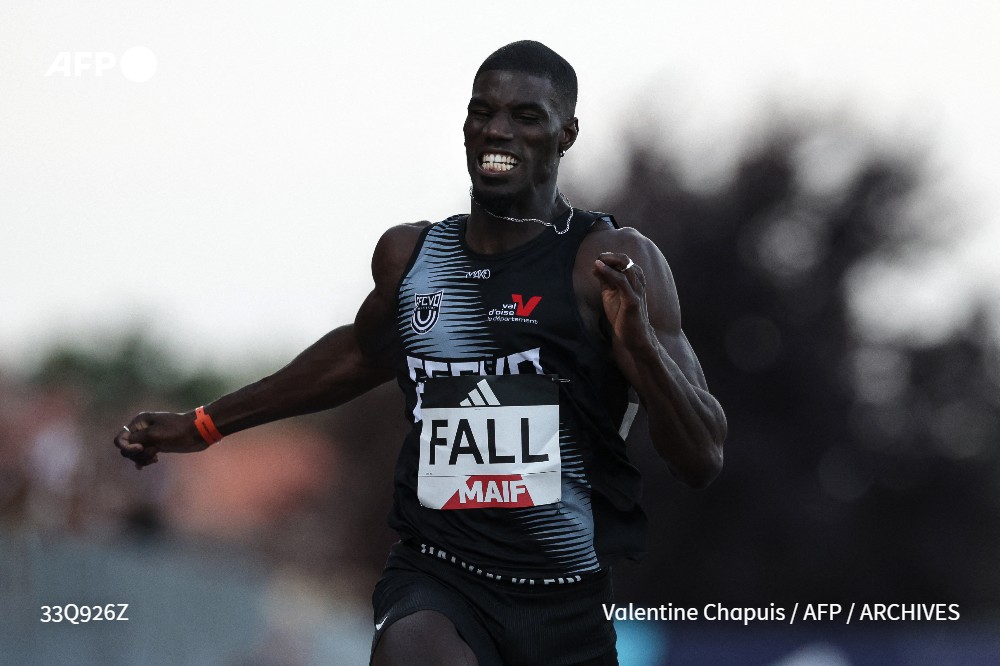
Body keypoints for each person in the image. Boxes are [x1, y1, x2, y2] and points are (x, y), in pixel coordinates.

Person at [114, 40, 727, 666]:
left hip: (563, 600)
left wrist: (641, 351)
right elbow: (357, 356)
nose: (497, 130)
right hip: (438, 574)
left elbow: (702, 454)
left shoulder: (605, 264)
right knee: (412, 648)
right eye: (481, 111)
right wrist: (204, 423)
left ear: (566, 134)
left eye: (525, 116)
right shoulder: (413, 259)